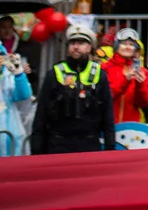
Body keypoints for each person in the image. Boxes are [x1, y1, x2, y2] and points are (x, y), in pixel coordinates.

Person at [31, 25, 114, 154]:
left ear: (89, 47)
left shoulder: (99, 74)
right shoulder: (55, 73)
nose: (76, 47)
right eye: (72, 43)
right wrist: (36, 148)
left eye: (81, 43)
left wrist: (110, 146)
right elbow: (41, 113)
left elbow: (107, 112)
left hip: (89, 142)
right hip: (58, 143)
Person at [102, 28, 148, 124]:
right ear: (116, 46)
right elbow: (104, 97)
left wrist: (140, 85)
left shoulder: (143, 72)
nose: (127, 47)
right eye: (124, 44)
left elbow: (143, 103)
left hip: (131, 126)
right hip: (107, 124)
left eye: (131, 45)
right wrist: (124, 80)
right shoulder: (104, 68)